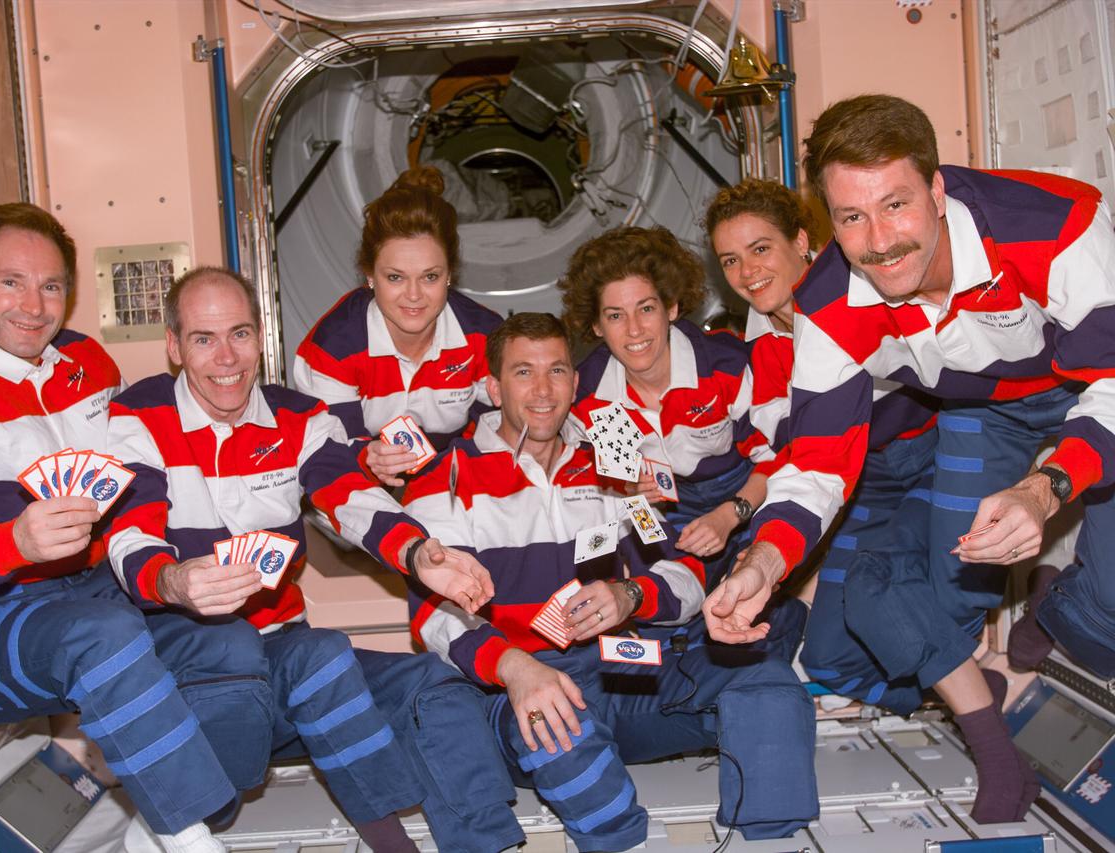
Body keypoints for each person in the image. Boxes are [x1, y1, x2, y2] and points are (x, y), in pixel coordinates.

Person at [707, 93, 1115, 823]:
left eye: (895, 205)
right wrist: (765, 561)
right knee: (955, 588)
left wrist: (1047, 488)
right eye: (852, 217)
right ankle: (1027, 641)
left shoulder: (1055, 224)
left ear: (936, 188)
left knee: (1113, 608)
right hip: (981, 412)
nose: (880, 240)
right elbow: (819, 457)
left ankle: (1067, 605)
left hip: (1091, 388)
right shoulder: (830, 302)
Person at [0, 204, 266, 853]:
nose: (34, 304)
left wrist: (167, 572)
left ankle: (173, 817)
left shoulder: (85, 361)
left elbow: (134, 475)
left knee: (230, 641)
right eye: (11, 282)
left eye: (51, 285)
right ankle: (188, 835)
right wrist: (11, 542)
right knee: (101, 634)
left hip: (95, 592)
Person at [104, 266, 522, 853]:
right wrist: (172, 580)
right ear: (174, 346)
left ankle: (487, 846)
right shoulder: (136, 417)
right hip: (189, 664)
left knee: (434, 684)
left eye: (241, 335)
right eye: (204, 339)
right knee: (313, 655)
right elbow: (129, 536)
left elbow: (351, 493)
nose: (227, 358)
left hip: (284, 656)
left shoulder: (300, 418)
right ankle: (186, 815)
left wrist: (418, 551)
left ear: (261, 338)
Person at [403, 312, 818, 850]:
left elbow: (681, 565)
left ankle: (772, 838)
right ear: (492, 386)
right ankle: (624, 839)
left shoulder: (613, 456)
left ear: (576, 382)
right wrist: (516, 668)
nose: (544, 389)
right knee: (562, 734)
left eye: (557, 370)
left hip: (625, 666)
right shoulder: (445, 477)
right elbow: (433, 614)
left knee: (768, 682)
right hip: (526, 681)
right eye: (523, 372)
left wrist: (633, 595)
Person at [705, 178, 940, 713]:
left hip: (935, 452)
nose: (747, 273)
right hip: (860, 483)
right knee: (828, 655)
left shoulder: (865, 291)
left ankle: (985, 693)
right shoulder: (760, 344)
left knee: (933, 595)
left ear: (802, 241)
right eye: (730, 260)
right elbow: (793, 453)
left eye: (760, 249)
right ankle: (930, 698)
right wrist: (757, 543)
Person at [559, 226, 780, 590]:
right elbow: (609, 487)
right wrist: (629, 491)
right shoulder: (593, 396)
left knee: (754, 597)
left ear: (672, 307)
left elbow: (781, 458)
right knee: (660, 593)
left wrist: (730, 515)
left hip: (751, 494)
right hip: (666, 511)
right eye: (615, 316)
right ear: (596, 325)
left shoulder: (723, 364)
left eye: (646, 308)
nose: (634, 330)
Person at [294, 166, 503, 487]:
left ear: (450, 274)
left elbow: (498, 433)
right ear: (369, 276)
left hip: (461, 481)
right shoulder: (333, 348)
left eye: (430, 276)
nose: (414, 295)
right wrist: (366, 457)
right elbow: (330, 458)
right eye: (395, 277)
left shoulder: (483, 335)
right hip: (365, 488)